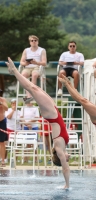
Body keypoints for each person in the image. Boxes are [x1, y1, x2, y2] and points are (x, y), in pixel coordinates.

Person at [6, 57, 70, 189]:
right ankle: (30, 95)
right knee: (34, 88)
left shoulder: (59, 149)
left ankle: (14, 72)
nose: (67, 159)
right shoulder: (63, 147)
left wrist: (67, 184)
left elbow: (65, 168)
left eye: (65, 159)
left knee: (32, 88)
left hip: (51, 115)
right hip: (54, 112)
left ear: (59, 157)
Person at [20, 35, 47, 103]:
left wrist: (37, 62)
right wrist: (25, 63)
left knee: (34, 75)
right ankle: (28, 95)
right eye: (32, 40)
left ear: (38, 42)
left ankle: (31, 94)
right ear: (30, 42)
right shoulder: (26, 50)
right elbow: (21, 62)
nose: (34, 42)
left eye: (35, 40)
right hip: (28, 67)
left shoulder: (42, 50)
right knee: (23, 75)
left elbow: (44, 63)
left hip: (37, 67)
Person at [0, 89, 8, 167]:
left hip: (1, 122)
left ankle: (3, 160)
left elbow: (6, 109)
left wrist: (1, 103)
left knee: (2, 142)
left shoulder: (3, 100)